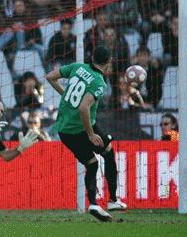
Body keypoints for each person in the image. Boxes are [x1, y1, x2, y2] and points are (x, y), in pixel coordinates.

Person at [45, 46, 127, 222]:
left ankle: (94, 204)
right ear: (108, 62)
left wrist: (65, 95)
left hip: (64, 130)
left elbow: (50, 77)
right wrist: (90, 134)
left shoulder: (77, 67)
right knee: (108, 152)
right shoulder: (99, 82)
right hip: (81, 128)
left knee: (92, 163)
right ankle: (112, 200)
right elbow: (83, 107)